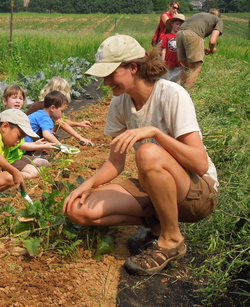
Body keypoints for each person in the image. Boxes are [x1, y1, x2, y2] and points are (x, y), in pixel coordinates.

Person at [62, 35, 218, 276]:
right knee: (78, 209)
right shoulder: (120, 103)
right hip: (155, 187)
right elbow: (116, 162)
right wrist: (88, 184)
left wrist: (155, 132)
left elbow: (199, 163)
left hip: (197, 192)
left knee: (147, 151)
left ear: (133, 67)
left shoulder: (171, 94)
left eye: (110, 74)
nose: (105, 82)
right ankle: (158, 224)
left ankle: (171, 239)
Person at [0, 85, 57, 180]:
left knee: (45, 163)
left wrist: (35, 144)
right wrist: (42, 146)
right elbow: (20, 145)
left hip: (19, 156)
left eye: (21, 98)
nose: (18, 101)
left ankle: (15, 174)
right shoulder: (6, 120)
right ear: (5, 101)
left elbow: (21, 143)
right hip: (9, 160)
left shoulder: (20, 117)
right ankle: (10, 177)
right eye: (14, 98)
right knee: (36, 172)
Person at [27, 77, 93, 146]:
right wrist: (79, 138)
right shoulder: (45, 108)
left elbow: (61, 120)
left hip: (30, 135)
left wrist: (78, 124)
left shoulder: (46, 106)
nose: (62, 113)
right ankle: (45, 146)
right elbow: (61, 123)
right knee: (55, 124)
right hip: (29, 139)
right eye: (62, 111)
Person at [177, 9, 223, 88]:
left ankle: (180, 92)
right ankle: (188, 95)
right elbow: (212, 41)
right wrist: (212, 50)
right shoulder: (218, 20)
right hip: (193, 34)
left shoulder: (200, 15)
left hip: (179, 34)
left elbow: (188, 32)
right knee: (195, 68)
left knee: (186, 67)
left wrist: (201, 48)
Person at [160, 14, 186, 82]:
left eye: (180, 25)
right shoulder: (167, 36)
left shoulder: (183, 37)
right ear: (172, 24)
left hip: (179, 64)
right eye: (177, 24)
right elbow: (164, 49)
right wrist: (162, 60)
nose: (178, 26)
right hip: (168, 63)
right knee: (166, 81)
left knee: (177, 81)